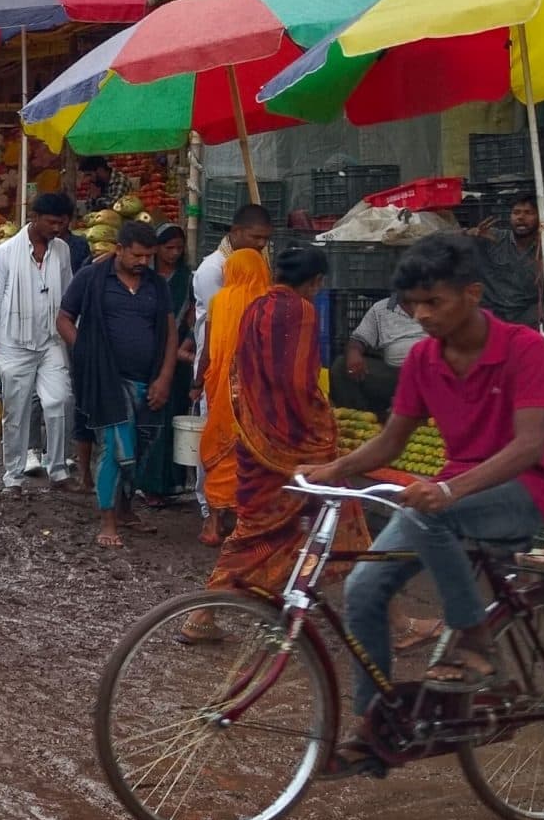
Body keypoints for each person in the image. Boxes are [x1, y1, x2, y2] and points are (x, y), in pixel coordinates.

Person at [304, 233, 544, 726]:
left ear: (472, 294)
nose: (423, 315)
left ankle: (474, 636)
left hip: (531, 486)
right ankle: (375, 725)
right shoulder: (425, 361)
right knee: (362, 588)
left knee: (432, 514)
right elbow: (392, 440)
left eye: (434, 301)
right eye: (413, 305)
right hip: (456, 492)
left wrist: (449, 490)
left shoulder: (526, 348)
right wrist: (335, 470)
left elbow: (530, 445)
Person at [183, 246, 370, 640]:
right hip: (296, 444)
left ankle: (205, 614)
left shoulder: (254, 307)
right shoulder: (301, 311)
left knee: (255, 531)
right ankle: (385, 615)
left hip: (255, 438)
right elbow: (299, 383)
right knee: (341, 519)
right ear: (315, 281)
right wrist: (322, 426)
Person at [61, 220, 180, 549]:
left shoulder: (156, 285)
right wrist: (85, 353)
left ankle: (126, 509)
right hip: (106, 382)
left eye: (149, 257)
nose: (144, 262)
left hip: (148, 380)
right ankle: (108, 520)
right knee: (115, 449)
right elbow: (63, 318)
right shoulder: (92, 277)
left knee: (138, 449)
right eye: (137, 256)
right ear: (119, 249)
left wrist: (165, 377)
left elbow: (170, 334)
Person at [0, 192, 77, 492]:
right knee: (16, 412)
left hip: (51, 341)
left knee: (59, 400)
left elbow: (69, 293)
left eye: (62, 223)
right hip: (13, 343)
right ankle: (13, 478)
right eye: (52, 222)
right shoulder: (3, 254)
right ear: (35, 217)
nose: (57, 228)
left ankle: (58, 470)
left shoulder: (62, 250)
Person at [195, 247, 271, 545]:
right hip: (254, 393)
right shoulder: (266, 304)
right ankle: (242, 527)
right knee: (249, 457)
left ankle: (213, 525)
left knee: (219, 452)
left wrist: (199, 380)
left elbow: (208, 348)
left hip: (221, 390)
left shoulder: (218, 301)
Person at [135, 223, 198, 502]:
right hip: (147, 353)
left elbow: (194, 320)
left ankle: (169, 484)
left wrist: (183, 347)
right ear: (156, 249)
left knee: (172, 416)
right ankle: (146, 483)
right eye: (168, 248)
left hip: (178, 357)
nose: (173, 253)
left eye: (178, 249)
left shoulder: (188, 279)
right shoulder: (144, 277)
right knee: (149, 416)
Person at [468, 197, 544, 329]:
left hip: (525, 320)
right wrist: (467, 234)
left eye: (528, 213)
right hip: (489, 316)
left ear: (540, 218)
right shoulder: (490, 237)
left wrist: (540, 314)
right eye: (516, 212)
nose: (521, 217)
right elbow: (439, 239)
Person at [192, 204, 274, 349]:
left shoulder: (259, 263)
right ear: (236, 231)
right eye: (256, 237)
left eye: (266, 238)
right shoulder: (213, 269)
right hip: (218, 354)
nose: (262, 243)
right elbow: (219, 319)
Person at [335, 293, 423, 418]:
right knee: (341, 366)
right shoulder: (380, 308)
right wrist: (354, 352)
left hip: (431, 373)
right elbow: (358, 339)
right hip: (394, 375)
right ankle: (363, 421)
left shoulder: (436, 306)